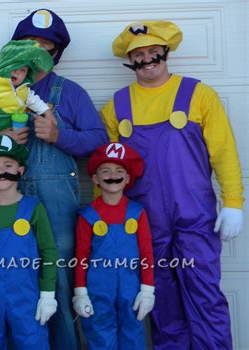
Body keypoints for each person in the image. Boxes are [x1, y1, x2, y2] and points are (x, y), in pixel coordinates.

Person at [101, 20, 244, 349]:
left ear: (166, 53)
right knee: (160, 301)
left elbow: (224, 152)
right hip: (145, 223)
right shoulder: (116, 106)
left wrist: (234, 201)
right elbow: (107, 173)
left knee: (205, 294)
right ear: (130, 59)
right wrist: (110, 219)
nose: (148, 59)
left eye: (154, 52)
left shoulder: (199, 94)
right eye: (139, 54)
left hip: (194, 216)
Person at [10, 8, 109, 349]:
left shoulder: (71, 93)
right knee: (15, 284)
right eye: (28, 44)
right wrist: (1, 140)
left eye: (45, 46)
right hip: (9, 204)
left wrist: (59, 136)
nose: (37, 52)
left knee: (62, 285)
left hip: (58, 209)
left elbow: (99, 141)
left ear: (56, 53)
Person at [0, 134, 59, 349]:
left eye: (8, 164)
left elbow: (49, 252)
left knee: (32, 342)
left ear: (20, 170)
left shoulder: (34, 209)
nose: (1, 171)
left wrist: (47, 294)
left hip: (26, 295)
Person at [72, 142, 155, 349]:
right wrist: (80, 292)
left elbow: (146, 253)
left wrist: (147, 290)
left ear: (127, 179)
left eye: (119, 171)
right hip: (98, 288)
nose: (112, 175)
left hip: (131, 287)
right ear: (95, 178)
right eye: (105, 171)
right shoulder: (88, 215)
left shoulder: (137, 212)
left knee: (133, 335)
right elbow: (81, 255)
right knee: (100, 335)